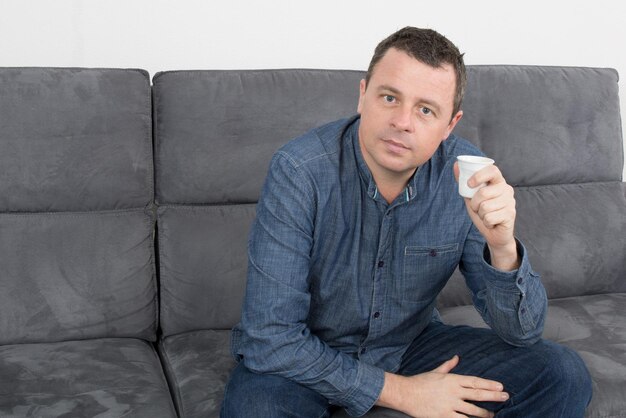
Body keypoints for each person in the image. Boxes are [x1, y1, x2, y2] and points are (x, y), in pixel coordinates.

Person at [221, 27, 592, 418]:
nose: (403, 122)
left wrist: (502, 248)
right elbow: (270, 337)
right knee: (257, 409)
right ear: (363, 95)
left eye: (426, 110)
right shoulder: (299, 171)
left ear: (450, 124)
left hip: (409, 345)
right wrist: (403, 393)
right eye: (389, 97)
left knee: (561, 374)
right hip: (304, 357)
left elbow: (523, 333)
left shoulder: (463, 175)